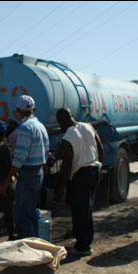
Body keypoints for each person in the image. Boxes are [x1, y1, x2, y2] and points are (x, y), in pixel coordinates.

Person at [54, 107, 104, 256]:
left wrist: (60, 189)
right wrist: (100, 167)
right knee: (86, 207)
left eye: (60, 122)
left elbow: (67, 166)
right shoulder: (88, 126)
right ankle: (81, 237)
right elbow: (100, 148)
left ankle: (84, 246)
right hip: (93, 169)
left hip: (81, 174)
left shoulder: (68, 137)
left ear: (62, 121)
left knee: (81, 210)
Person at [0, 95, 49, 239]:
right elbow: (46, 153)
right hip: (38, 171)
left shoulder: (25, 128)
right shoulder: (41, 127)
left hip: (28, 173)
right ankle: (36, 243)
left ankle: (28, 248)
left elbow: (19, 158)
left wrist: (6, 181)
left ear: (18, 111)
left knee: (22, 214)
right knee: (32, 211)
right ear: (34, 109)